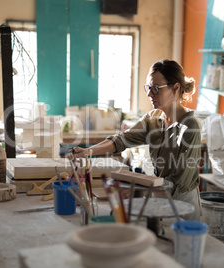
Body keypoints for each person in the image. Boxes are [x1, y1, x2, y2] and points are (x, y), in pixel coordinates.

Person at [71, 59, 202, 221]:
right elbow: (121, 140)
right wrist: (87, 152)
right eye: (148, 88)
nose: (149, 94)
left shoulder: (190, 127)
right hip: (159, 195)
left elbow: (178, 181)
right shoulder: (153, 119)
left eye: (155, 89)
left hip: (183, 203)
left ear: (175, 88)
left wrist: (141, 190)